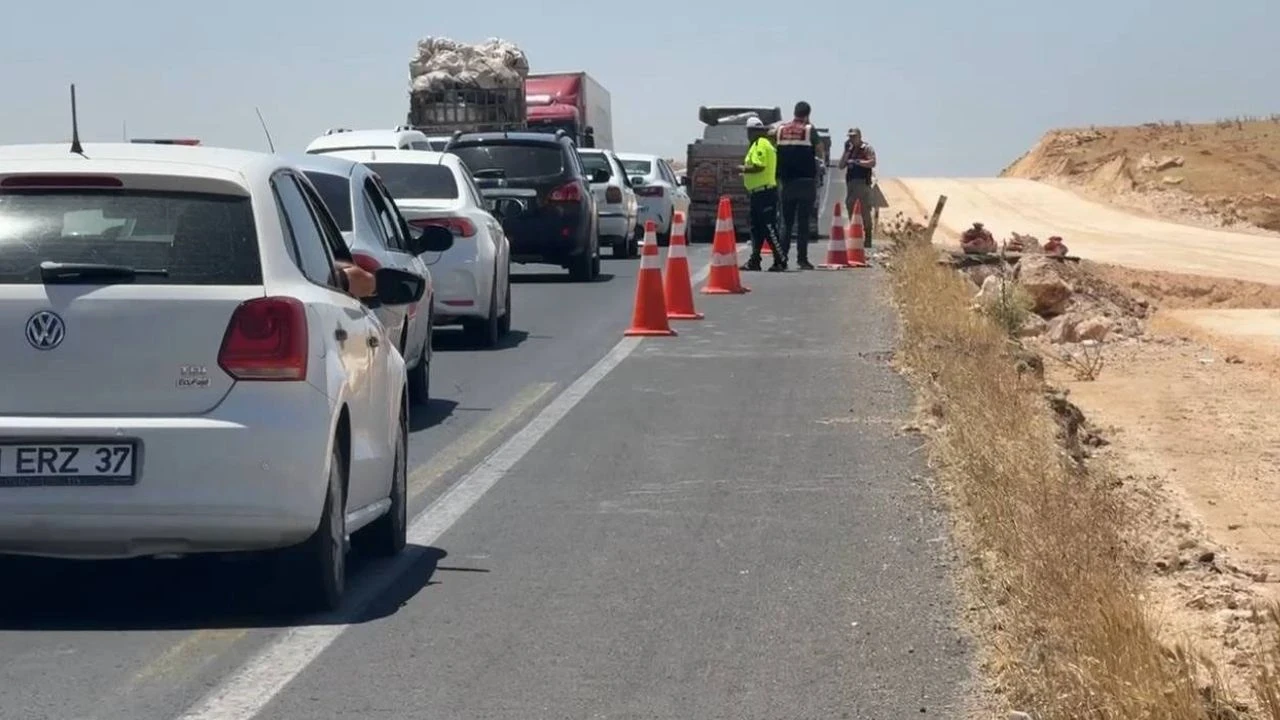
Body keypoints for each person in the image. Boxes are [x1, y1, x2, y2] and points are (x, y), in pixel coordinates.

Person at [774, 101, 822, 269]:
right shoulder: (809, 130)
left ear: (794, 113)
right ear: (808, 114)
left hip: (786, 182)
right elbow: (820, 150)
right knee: (803, 223)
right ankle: (802, 260)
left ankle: (782, 258)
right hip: (806, 181)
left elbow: (775, 150)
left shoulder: (781, 129)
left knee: (786, 223)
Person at [738, 116, 784, 272]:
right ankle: (755, 260)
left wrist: (742, 169)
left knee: (769, 227)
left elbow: (759, 166)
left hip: (764, 193)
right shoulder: (759, 144)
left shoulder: (760, 144)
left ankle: (780, 259)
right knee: (756, 229)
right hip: (758, 193)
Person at [839, 128, 877, 248]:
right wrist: (846, 152)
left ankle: (868, 236)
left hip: (862, 183)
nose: (851, 139)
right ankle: (856, 235)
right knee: (851, 207)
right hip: (851, 184)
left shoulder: (866, 148)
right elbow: (841, 165)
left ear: (859, 136)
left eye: (854, 136)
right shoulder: (850, 150)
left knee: (864, 210)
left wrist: (858, 162)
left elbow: (872, 162)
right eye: (850, 137)